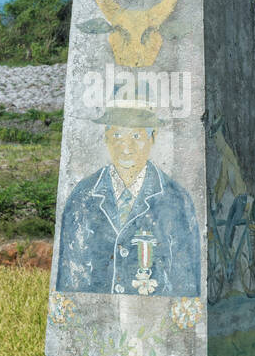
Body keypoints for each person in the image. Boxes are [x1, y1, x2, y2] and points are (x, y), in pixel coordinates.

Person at [56, 103, 200, 297]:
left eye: (136, 136)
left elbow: (186, 281)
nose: (126, 147)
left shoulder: (175, 198)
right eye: (117, 135)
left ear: (153, 138)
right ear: (106, 138)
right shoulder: (83, 197)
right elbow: (70, 280)